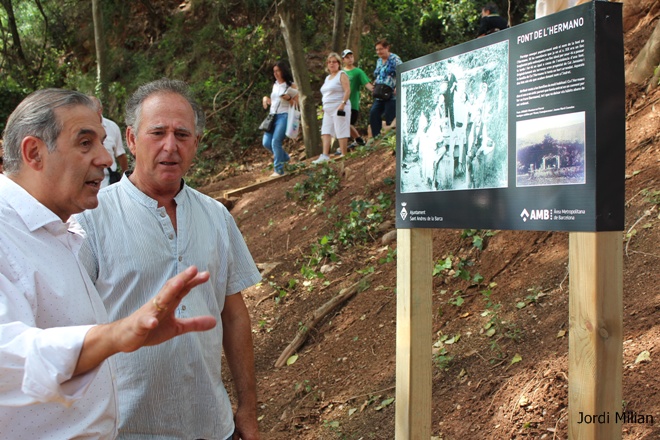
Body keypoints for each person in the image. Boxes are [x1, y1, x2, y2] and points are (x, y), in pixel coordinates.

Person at [0, 88, 216, 439]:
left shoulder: (59, 230)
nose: (105, 159)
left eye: (102, 142)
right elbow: (7, 355)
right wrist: (116, 335)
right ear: (34, 153)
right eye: (85, 143)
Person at [75, 78, 263, 440]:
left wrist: (248, 407)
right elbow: (69, 329)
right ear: (131, 139)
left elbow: (234, 314)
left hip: (211, 424)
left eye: (182, 134)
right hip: (124, 428)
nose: (170, 146)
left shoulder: (216, 216)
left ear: (197, 143)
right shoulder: (90, 220)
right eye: (157, 132)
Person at [313, 52, 351, 164]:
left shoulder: (342, 74)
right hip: (328, 109)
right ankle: (325, 155)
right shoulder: (328, 78)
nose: (331, 64)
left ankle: (344, 154)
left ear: (339, 63)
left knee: (341, 129)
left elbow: (347, 90)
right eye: (329, 62)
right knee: (326, 130)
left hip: (339, 106)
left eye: (334, 62)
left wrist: (343, 103)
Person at [262, 61, 297, 176]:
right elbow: (274, 102)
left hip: (284, 115)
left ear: (283, 71)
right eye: (274, 71)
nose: (276, 73)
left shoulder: (291, 85)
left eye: (278, 71)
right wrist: (266, 99)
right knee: (266, 142)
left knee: (275, 141)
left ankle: (279, 170)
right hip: (272, 116)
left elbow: (297, 104)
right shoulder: (275, 85)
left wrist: (289, 99)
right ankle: (284, 157)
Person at [89, 96, 129, 187]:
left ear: (100, 110)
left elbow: (121, 154)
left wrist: (126, 178)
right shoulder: (81, 128)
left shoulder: (112, 127)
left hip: (109, 180)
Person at [369, 39, 402, 139]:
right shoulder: (379, 61)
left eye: (381, 49)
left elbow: (402, 73)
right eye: (377, 50)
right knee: (374, 112)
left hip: (391, 93)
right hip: (380, 93)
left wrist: (398, 86)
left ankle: (391, 139)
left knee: (390, 116)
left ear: (387, 48)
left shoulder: (395, 59)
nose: (379, 52)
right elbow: (378, 74)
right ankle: (376, 137)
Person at [341, 49, 373, 150]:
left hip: (352, 103)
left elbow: (368, 85)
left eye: (351, 57)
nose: (350, 59)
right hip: (340, 103)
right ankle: (357, 141)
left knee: (347, 124)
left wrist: (376, 90)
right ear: (343, 60)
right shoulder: (340, 72)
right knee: (341, 124)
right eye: (347, 57)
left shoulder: (358, 72)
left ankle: (358, 141)